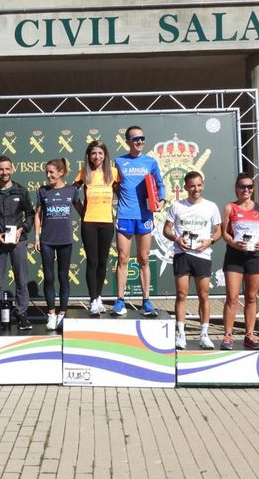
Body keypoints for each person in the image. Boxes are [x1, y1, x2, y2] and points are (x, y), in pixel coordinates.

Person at [163, 171, 221, 350]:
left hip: (202, 255)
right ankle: (180, 334)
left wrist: (210, 240)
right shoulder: (176, 206)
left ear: (203, 185)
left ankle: (204, 334)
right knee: (181, 294)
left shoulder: (211, 206)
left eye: (199, 185)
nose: (196, 189)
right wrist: (176, 239)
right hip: (182, 254)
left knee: (204, 295)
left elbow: (218, 230)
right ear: (186, 187)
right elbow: (166, 229)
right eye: (192, 186)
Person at [111, 125, 166, 317]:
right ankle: (120, 300)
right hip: (125, 215)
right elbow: (114, 184)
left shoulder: (150, 162)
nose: (140, 142)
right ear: (127, 141)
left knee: (143, 259)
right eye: (135, 139)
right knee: (123, 258)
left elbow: (159, 184)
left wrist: (162, 200)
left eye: (142, 138)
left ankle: (146, 300)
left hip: (144, 216)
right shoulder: (118, 162)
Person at [0, 156, 35, 331]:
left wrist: (22, 229)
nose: (4, 172)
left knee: (21, 279)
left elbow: (31, 214)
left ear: (12, 169)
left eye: (7, 169)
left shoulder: (21, 191)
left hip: (18, 241)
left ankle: (21, 314)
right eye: (1, 169)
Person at [220, 173, 259, 350]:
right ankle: (228, 335)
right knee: (232, 297)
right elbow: (224, 233)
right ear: (236, 188)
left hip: (254, 256)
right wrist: (233, 243)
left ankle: (249, 334)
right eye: (242, 186)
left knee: (251, 297)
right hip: (235, 255)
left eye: (249, 187)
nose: (245, 190)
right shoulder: (229, 208)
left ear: (253, 189)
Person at [35, 159, 82, 330]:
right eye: (46, 172)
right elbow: (37, 215)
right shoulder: (42, 191)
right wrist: (37, 237)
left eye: (51, 172)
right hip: (47, 240)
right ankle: (51, 314)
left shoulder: (72, 190)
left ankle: (62, 314)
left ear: (61, 172)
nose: (48, 175)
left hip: (65, 240)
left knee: (63, 278)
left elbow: (82, 211)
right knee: (49, 277)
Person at [73, 140, 118, 317]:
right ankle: (92, 299)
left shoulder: (113, 172)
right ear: (89, 156)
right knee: (92, 261)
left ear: (105, 155)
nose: (97, 156)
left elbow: (123, 193)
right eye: (93, 153)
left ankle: (98, 297)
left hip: (107, 222)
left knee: (102, 261)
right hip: (89, 222)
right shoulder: (85, 172)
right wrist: (81, 211)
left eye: (100, 153)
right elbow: (71, 193)